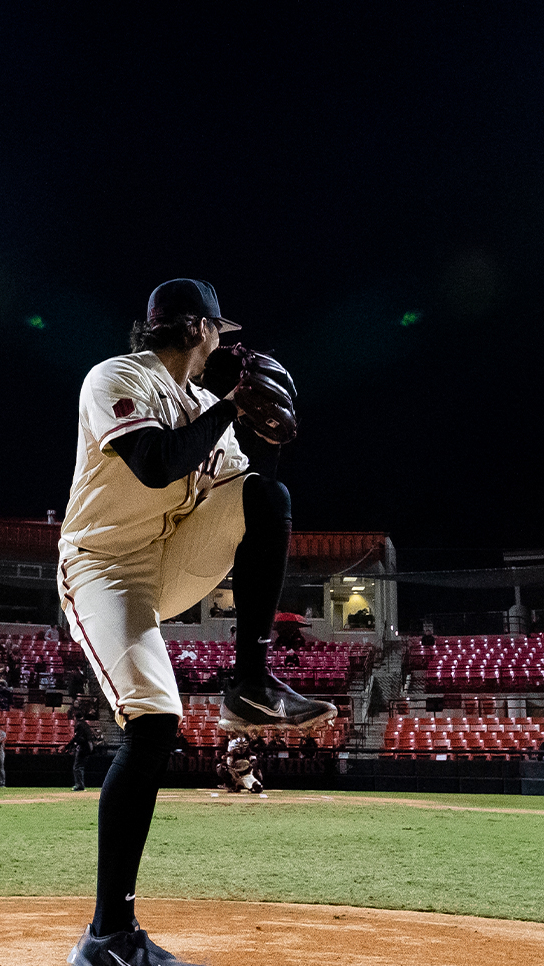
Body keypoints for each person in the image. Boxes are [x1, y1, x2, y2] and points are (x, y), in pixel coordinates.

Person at [57, 279, 328, 966]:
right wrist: (232, 407)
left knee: (269, 494)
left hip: (170, 558)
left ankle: (250, 682)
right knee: (152, 722)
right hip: (104, 566)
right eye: (219, 331)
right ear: (196, 327)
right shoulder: (118, 377)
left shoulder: (209, 403)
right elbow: (153, 465)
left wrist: (250, 423)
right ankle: (108, 937)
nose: (225, 343)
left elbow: (248, 504)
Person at [69, 711, 97, 792]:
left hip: (82, 748)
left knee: (77, 767)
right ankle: (80, 784)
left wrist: (69, 745)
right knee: (80, 767)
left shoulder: (79, 725)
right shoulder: (86, 725)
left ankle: (79, 785)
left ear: (75, 717)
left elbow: (78, 738)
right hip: (87, 748)